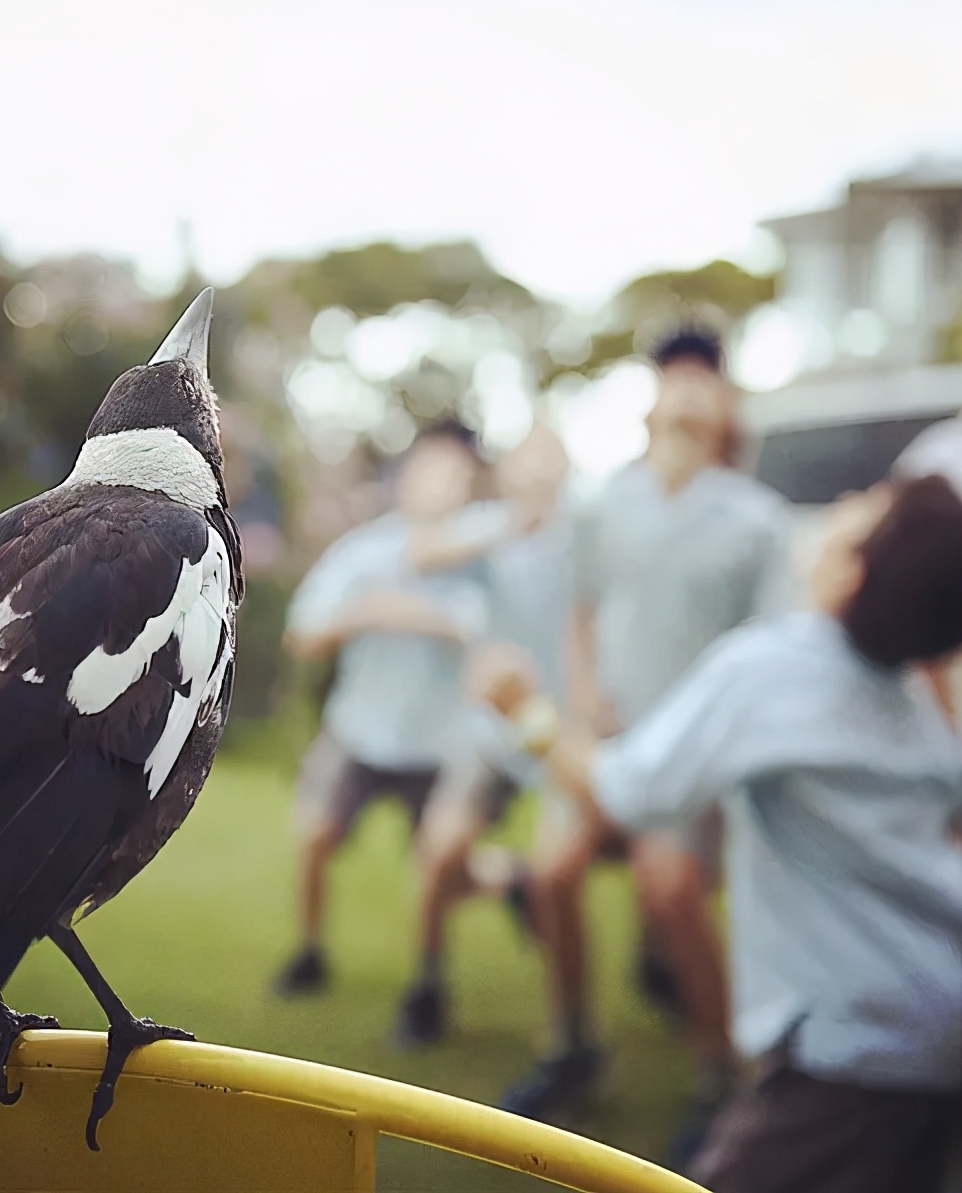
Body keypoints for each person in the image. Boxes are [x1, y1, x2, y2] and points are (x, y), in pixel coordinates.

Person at [517, 471, 962, 1191]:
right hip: (938, 1019)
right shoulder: (910, 692)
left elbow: (626, 794)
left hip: (856, 1046)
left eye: (862, 509)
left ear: (853, 571)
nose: (843, 500)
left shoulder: (773, 669)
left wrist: (526, 713)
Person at [502, 327, 790, 1162]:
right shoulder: (604, 504)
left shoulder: (756, 518)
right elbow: (581, 613)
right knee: (551, 872)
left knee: (669, 886)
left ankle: (720, 1071)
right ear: (653, 399)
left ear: (727, 403)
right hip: (604, 741)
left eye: (707, 379)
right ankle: (573, 1048)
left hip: (689, 755)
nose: (690, 393)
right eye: (677, 378)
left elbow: (767, 649)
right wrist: (583, 695)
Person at [272, 423, 490, 995]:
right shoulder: (363, 551)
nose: (442, 486)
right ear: (406, 478)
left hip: (441, 743)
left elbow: (488, 632)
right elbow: (303, 633)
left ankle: (428, 981)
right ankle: (310, 952)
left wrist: (415, 613)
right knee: (315, 835)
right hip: (358, 731)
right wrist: (368, 610)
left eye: (456, 476)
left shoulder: (484, 556)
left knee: (439, 866)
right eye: (431, 471)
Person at [392, 425, 572, 1046]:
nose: (539, 476)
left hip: (563, 730)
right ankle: (426, 987)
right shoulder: (492, 529)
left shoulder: (587, 536)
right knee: (440, 850)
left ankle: (567, 1027)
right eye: (528, 464)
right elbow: (419, 556)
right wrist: (507, 526)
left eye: (551, 464)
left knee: (559, 872)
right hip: (493, 728)